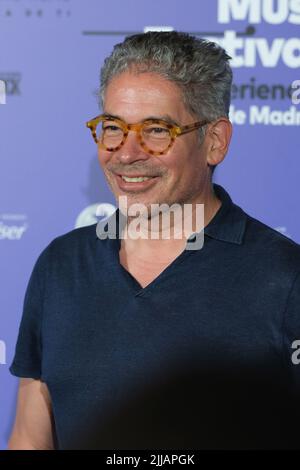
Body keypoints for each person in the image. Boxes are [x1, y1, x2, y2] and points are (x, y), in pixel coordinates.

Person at [8, 31, 300, 450]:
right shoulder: (61, 265)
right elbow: (29, 437)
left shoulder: (286, 279)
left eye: (157, 131)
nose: (126, 153)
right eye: (113, 127)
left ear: (214, 142)